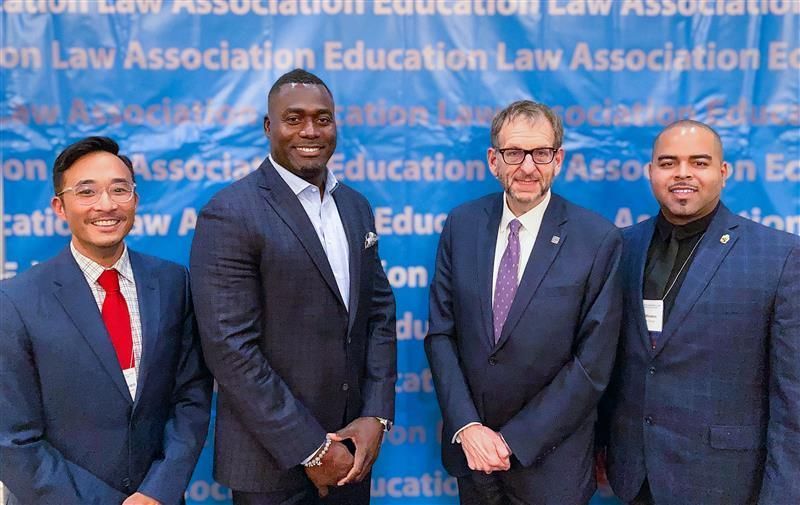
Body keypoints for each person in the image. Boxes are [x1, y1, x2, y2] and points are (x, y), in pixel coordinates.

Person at [190, 68, 397, 505]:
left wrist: (375, 415)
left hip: (352, 458)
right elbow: (230, 349)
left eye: (323, 119)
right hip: (273, 465)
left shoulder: (355, 206)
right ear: (269, 127)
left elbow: (378, 314)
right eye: (294, 118)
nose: (310, 131)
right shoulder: (230, 213)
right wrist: (312, 448)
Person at [425, 100, 622, 504]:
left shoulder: (597, 240)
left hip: (551, 466)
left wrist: (513, 440)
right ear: (494, 160)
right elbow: (442, 335)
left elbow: (592, 365)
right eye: (514, 153)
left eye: (541, 153)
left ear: (559, 159)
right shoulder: (461, 225)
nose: (528, 167)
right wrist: (467, 427)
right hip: (474, 456)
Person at [0, 136, 213, 505]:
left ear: (136, 200)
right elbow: (13, 439)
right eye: (87, 192)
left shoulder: (173, 283)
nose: (106, 205)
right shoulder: (16, 300)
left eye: (119, 190)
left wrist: (156, 492)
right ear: (59, 207)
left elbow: (190, 398)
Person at [600, 120, 800, 504]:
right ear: (651, 172)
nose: (683, 174)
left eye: (699, 162)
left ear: (723, 172)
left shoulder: (779, 256)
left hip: (725, 482)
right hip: (635, 478)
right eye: (668, 162)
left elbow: (792, 398)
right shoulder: (622, 247)